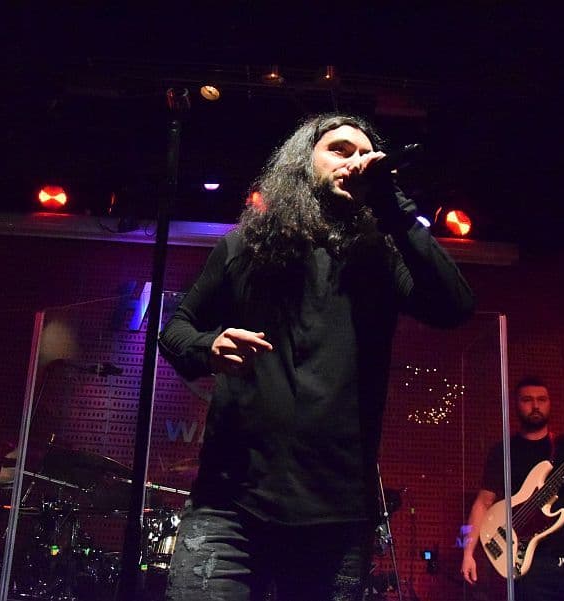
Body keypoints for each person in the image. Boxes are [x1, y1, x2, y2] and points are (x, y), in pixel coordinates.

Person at [157, 113, 475, 600]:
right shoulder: (245, 248)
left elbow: (455, 307)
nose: (355, 161)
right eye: (340, 150)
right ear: (304, 163)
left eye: (364, 154)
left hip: (337, 517)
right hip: (230, 506)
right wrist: (210, 346)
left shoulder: (381, 258)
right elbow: (176, 329)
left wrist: (393, 206)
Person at [460, 376, 564, 600]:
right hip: (529, 561)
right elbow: (483, 503)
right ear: (516, 404)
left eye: (541, 399)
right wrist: (468, 552)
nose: (535, 405)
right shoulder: (504, 451)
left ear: (549, 403)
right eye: (527, 400)